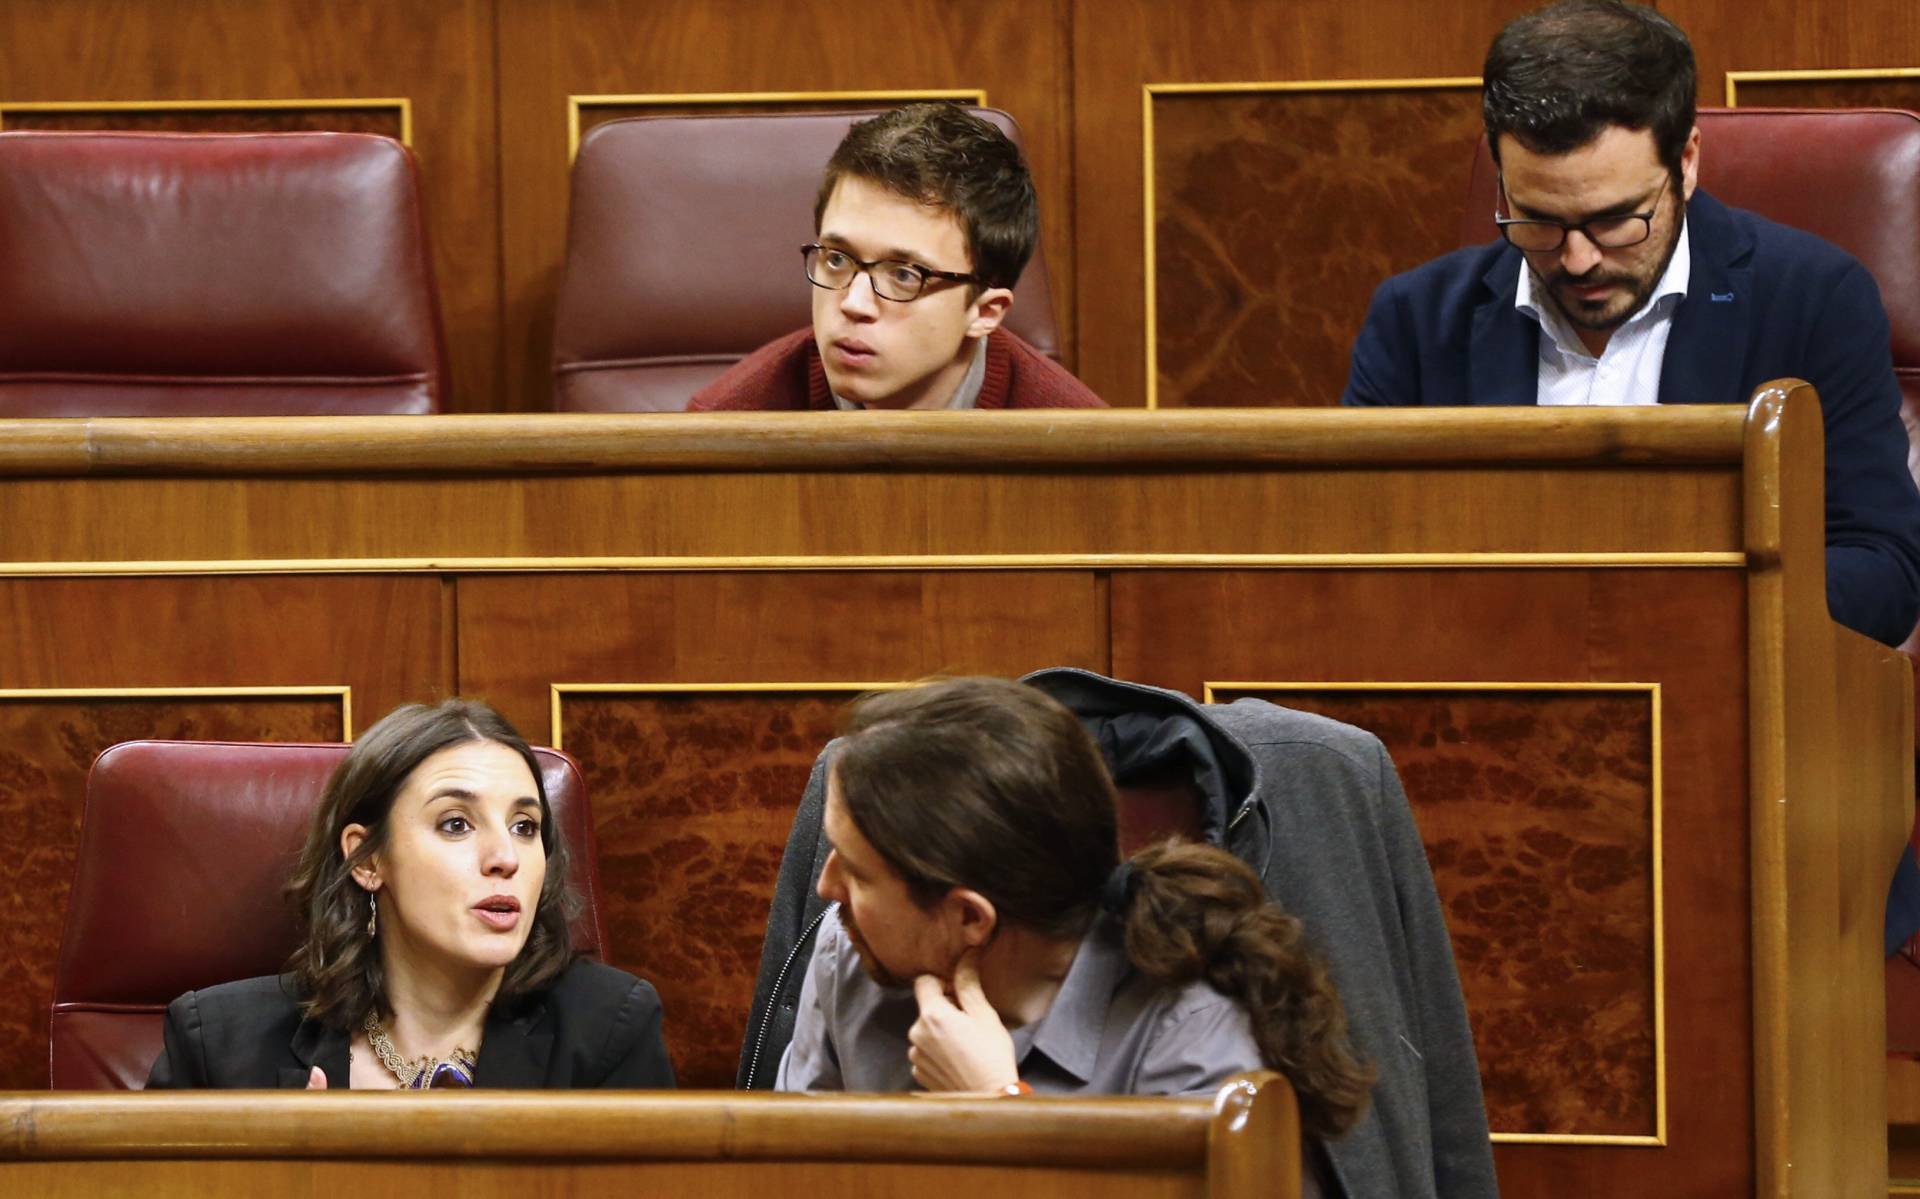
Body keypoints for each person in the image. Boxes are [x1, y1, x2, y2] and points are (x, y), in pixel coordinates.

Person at [1342, 0, 1920, 649]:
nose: (1578, 258)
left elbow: (1884, 569)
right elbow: (1348, 563)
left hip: (1721, 707)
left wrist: (1658, 614)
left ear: (1687, 162)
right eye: (1538, 219)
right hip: (1479, 706)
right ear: (1503, 184)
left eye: (1616, 220)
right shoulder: (1415, 320)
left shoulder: (1813, 300)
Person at [774, 677, 1371, 1197]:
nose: (826, 888)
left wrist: (999, 1112)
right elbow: (783, 1177)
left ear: (969, 920)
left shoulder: (1194, 1045)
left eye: (855, 871)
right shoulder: (849, 950)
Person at [146, 699, 675, 1089]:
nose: (505, 858)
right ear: (368, 859)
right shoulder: (216, 1044)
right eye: (455, 824)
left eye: (525, 826)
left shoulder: (609, 1030)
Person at [687, 103, 1106, 411]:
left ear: (986, 312)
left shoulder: (1079, 453)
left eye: (904, 274)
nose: (853, 304)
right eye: (837, 259)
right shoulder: (726, 423)